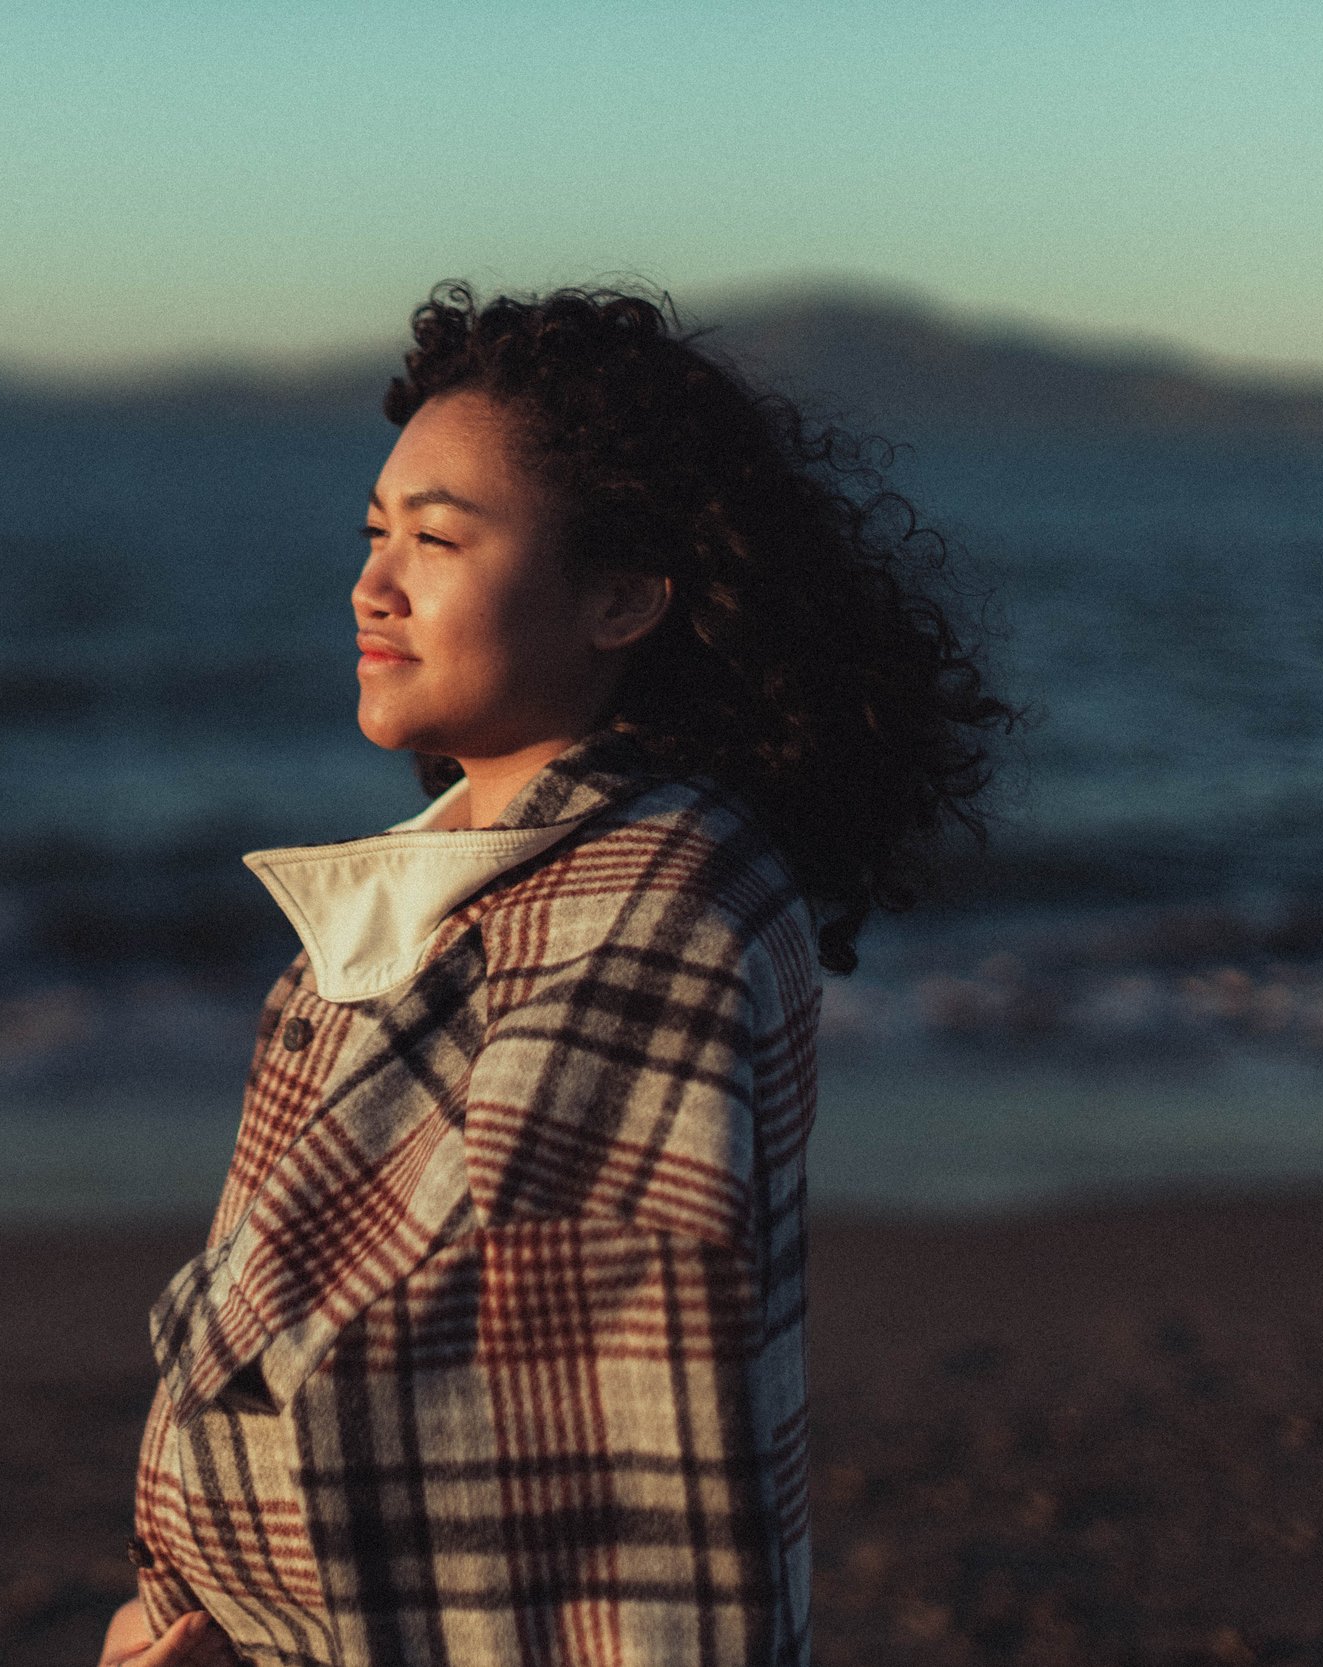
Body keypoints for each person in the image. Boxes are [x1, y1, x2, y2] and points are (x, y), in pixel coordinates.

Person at [99, 284, 1012, 1667]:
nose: (372, 583)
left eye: (438, 539)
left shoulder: (653, 911)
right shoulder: (481, 885)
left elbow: (600, 1499)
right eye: (373, 533)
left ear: (624, 595)